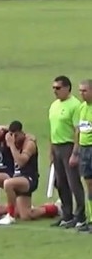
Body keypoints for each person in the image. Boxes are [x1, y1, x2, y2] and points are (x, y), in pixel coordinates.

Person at [0, 121, 60, 225]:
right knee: (26, 215)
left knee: (8, 183)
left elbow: (21, 162)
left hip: (28, 179)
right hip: (18, 178)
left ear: (21, 133)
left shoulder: (29, 143)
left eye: (16, 135)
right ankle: (55, 208)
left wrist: (11, 145)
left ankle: (10, 216)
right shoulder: (12, 137)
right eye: (12, 135)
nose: (14, 138)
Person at [48, 75, 85, 228]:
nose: (55, 91)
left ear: (67, 88)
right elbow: (52, 129)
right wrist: (51, 150)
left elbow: (78, 130)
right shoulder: (54, 105)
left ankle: (81, 214)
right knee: (60, 182)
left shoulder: (75, 105)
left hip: (68, 146)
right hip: (57, 146)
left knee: (73, 182)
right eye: (53, 88)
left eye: (58, 88)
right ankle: (67, 214)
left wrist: (75, 152)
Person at [74, 79, 92, 232]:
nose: (81, 94)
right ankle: (90, 220)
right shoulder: (82, 108)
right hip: (85, 150)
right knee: (89, 185)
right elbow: (79, 130)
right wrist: (76, 150)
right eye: (80, 91)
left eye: (84, 91)